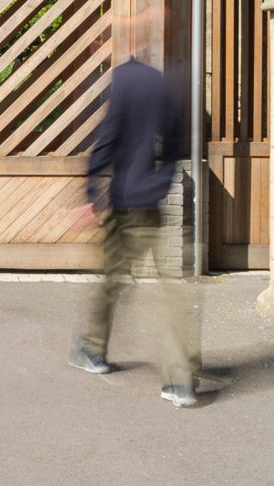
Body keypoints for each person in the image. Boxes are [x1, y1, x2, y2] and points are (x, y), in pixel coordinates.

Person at [69, 51, 203, 407]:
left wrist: (90, 193)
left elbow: (108, 137)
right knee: (170, 291)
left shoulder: (124, 83)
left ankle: (92, 350)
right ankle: (180, 381)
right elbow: (174, 144)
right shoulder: (161, 86)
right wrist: (161, 182)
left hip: (126, 204)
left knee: (112, 281)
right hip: (155, 204)